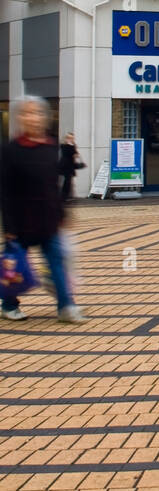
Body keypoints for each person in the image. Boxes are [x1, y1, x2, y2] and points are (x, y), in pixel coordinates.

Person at [0, 97, 84, 323]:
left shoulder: (50, 147)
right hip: (20, 223)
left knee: (57, 263)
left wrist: (63, 213)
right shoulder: (10, 151)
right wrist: (8, 228)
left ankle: (66, 306)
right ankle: (8, 304)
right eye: (28, 113)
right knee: (15, 267)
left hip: (48, 220)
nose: (33, 117)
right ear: (20, 118)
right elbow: (5, 192)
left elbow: (55, 183)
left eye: (37, 113)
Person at [58, 132, 85, 202]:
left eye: (72, 138)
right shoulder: (65, 146)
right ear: (66, 139)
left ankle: (66, 196)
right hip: (65, 167)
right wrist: (74, 150)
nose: (70, 139)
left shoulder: (72, 146)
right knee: (66, 182)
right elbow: (71, 154)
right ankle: (63, 197)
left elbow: (75, 155)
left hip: (70, 167)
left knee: (68, 182)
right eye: (69, 138)